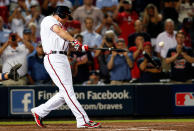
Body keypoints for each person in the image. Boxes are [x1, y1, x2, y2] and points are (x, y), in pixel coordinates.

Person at [30, 6, 100, 128]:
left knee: (65, 93)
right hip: (53, 58)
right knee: (68, 91)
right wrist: (74, 40)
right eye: (66, 16)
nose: (67, 19)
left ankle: (39, 111)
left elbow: (67, 45)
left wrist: (80, 47)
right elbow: (59, 31)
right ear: (61, 14)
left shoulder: (62, 27)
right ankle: (82, 120)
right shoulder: (49, 20)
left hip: (62, 58)